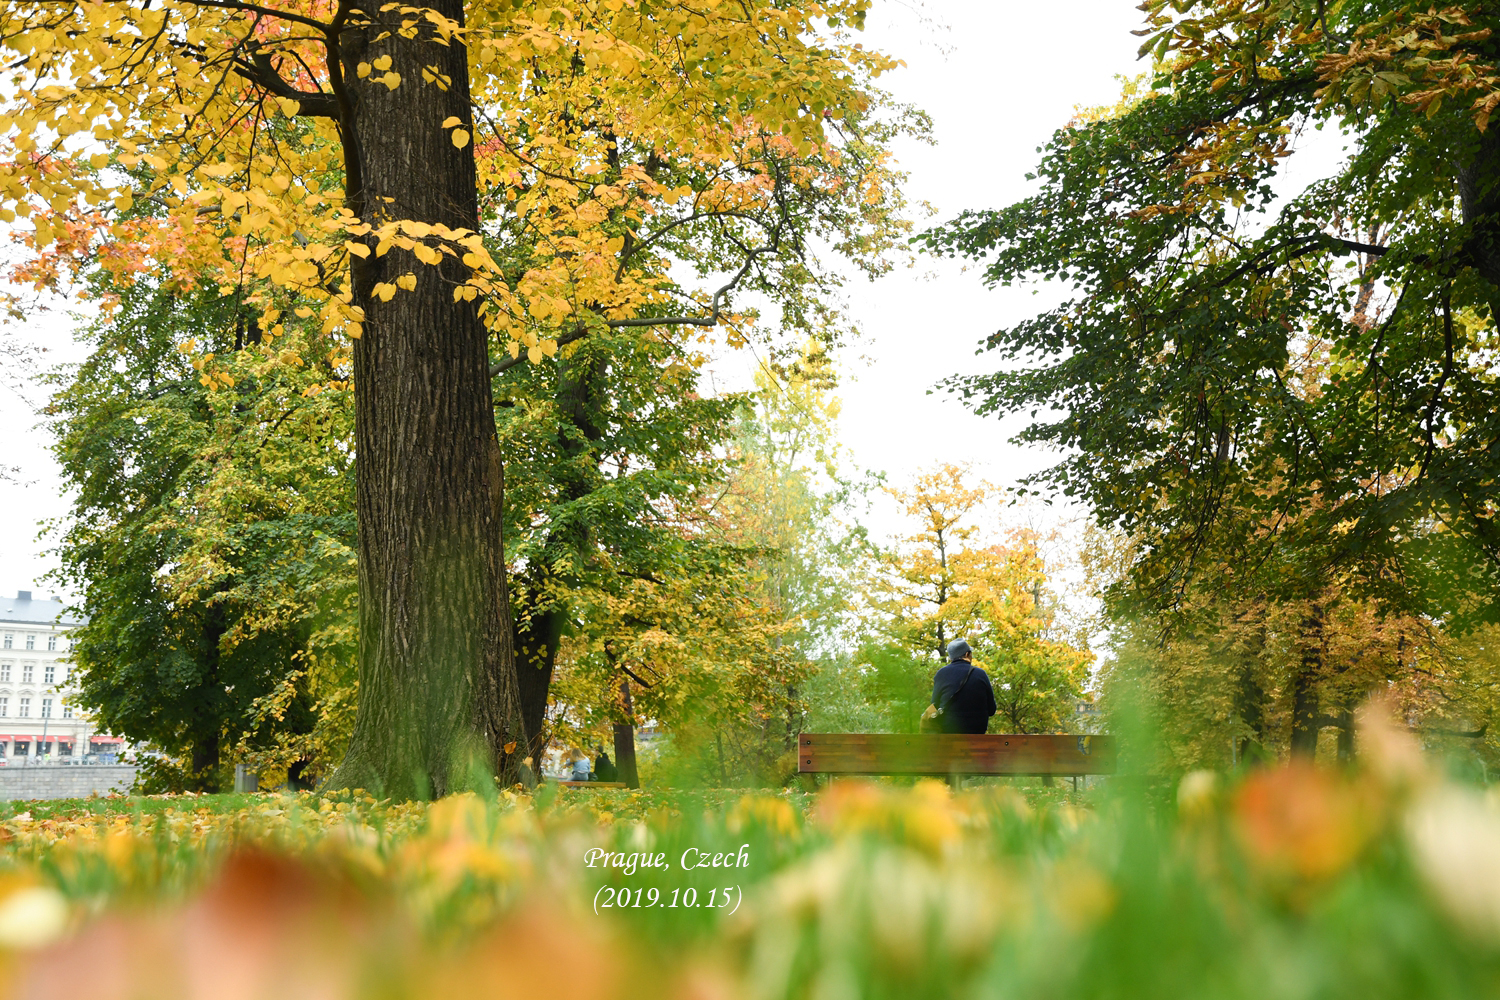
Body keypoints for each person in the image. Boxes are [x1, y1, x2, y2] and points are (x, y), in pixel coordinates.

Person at [929, 638, 997, 735]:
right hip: (977, 737)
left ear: (952, 657)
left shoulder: (941, 674)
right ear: (966, 654)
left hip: (948, 736)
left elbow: (934, 705)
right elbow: (992, 710)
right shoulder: (980, 674)